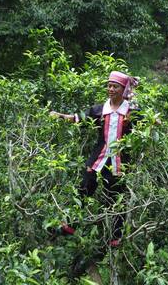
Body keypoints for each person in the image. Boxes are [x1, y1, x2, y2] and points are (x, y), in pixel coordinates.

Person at [50, 70, 141, 247]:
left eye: (115, 86)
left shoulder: (132, 111)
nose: (111, 89)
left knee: (115, 198)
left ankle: (115, 237)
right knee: (84, 188)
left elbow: (147, 121)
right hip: (98, 158)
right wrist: (60, 116)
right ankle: (71, 226)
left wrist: (153, 121)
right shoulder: (100, 110)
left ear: (123, 90)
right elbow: (77, 119)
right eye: (109, 86)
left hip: (120, 161)